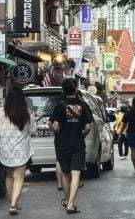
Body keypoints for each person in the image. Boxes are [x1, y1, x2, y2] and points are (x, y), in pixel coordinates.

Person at [0, 86, 36, 215]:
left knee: (9, 176)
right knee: (18, 177)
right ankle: (14, 204)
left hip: (6, 149)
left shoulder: (1, 112)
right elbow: (33, 130)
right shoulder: (27, 113)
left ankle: (13, 203)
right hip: (22, 150)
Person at [52, 78, 93, 214]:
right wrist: (81, 135)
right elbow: (88, 127)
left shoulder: (60, 105)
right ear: (76, 89)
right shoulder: (83, 105)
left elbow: (56, 126)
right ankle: (70, 204)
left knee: (65, 173)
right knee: (76, 173)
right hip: (78, 143)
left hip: (62, 144)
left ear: (63, 90)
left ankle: (66, 199)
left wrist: (57, 132)